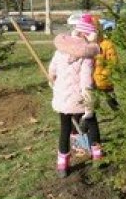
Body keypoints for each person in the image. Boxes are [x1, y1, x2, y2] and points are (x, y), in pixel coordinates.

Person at [49, 15, 102, 178]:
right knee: (91, 123)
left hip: (62, 100)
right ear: (86, 36)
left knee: (65, 129)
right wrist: (89, 106)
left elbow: (52, 70)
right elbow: (86, 84)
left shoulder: (60, 51)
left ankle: (62, 165)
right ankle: (97, 157)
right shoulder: (86, 57)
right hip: (79, 100)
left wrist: (52, 80)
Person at [92, 16, 119, 111]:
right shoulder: (86, 46)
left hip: (103, 80)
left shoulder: (107, 44)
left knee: (111, 100)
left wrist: (103, 75)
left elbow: (113, 62)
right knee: (91, 104)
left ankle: (121, 115)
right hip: (90, 80)